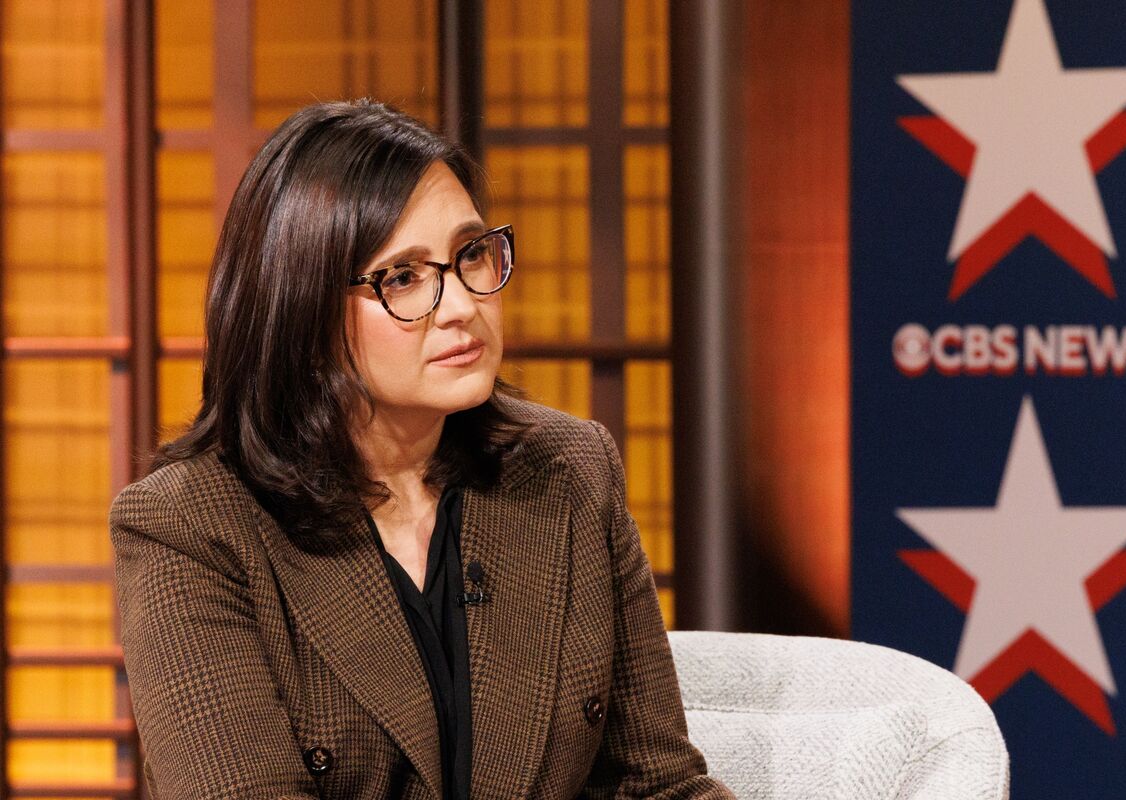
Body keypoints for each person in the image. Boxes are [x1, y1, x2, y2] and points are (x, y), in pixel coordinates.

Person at [109, 98, 735, 799]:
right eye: (403, 277)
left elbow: (659, 785)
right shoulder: (190, 526)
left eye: (471, 255)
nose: (463, 306)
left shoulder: (570, 472)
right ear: (302, 308)